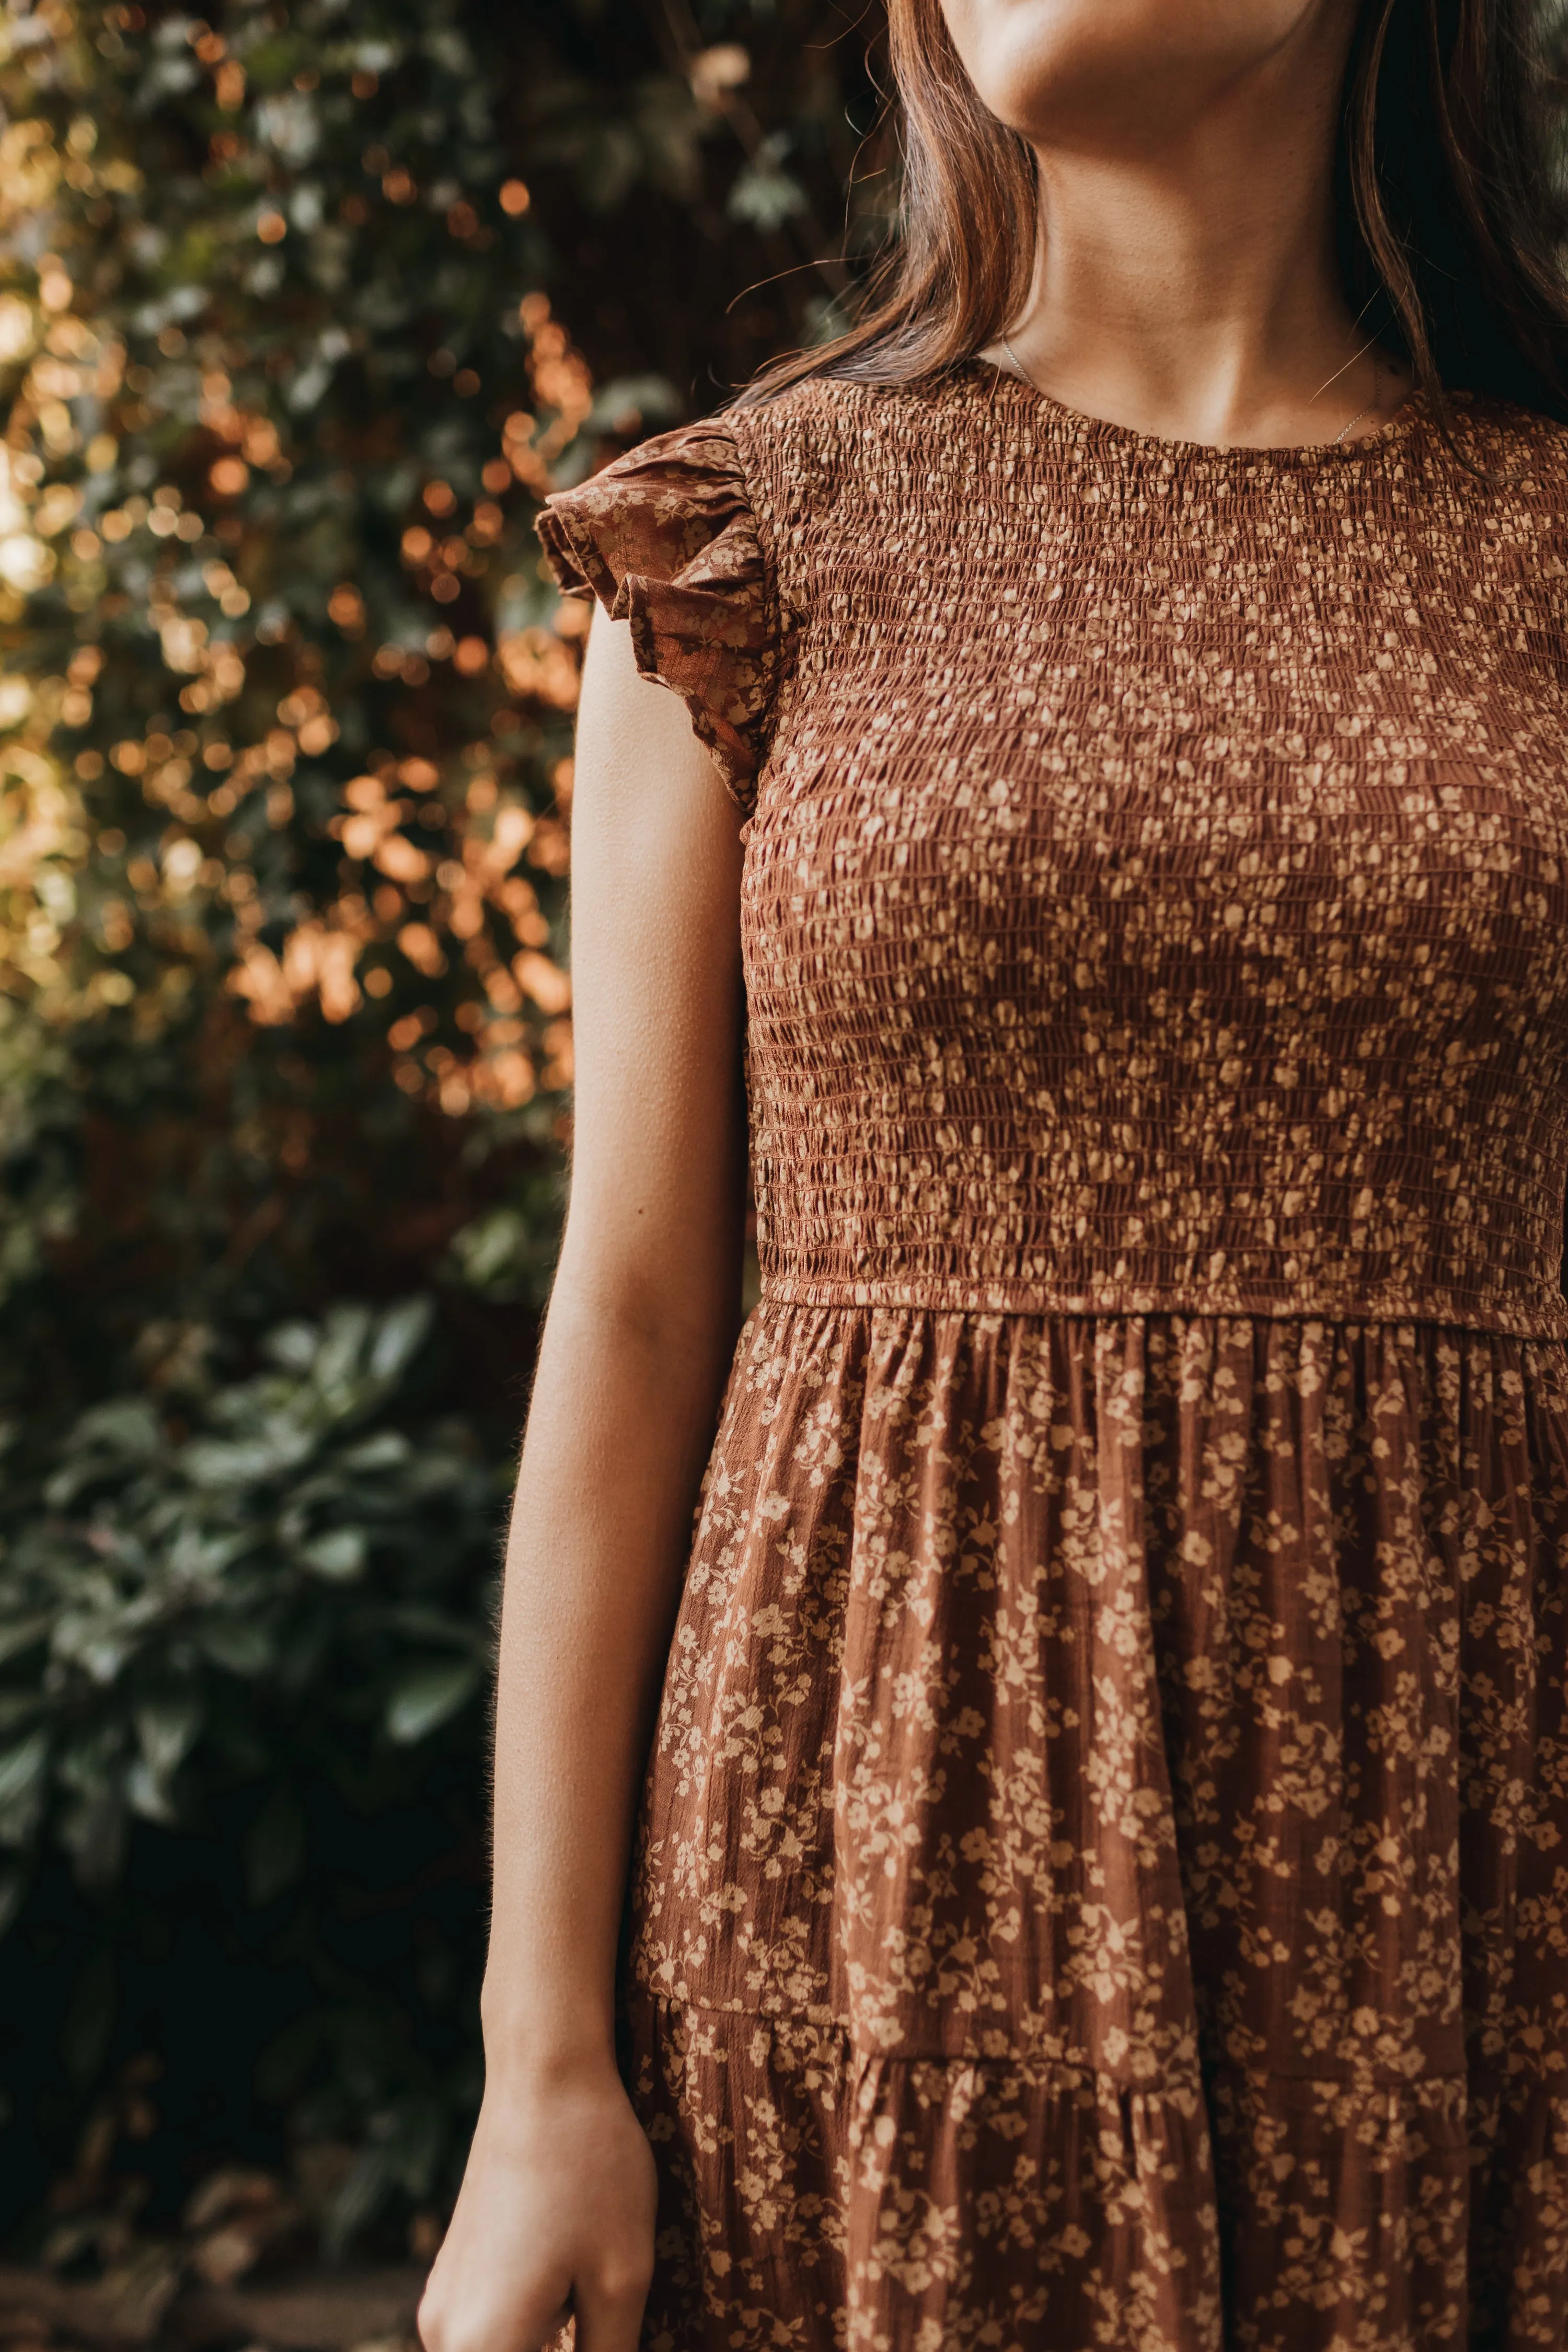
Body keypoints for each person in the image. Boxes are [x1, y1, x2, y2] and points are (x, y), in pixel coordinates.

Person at [417, 0, 1568, 2344]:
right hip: (862, 1890)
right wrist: (540, 2067)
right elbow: (630, 1313)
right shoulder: (751, 536)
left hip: (1467, 1905)